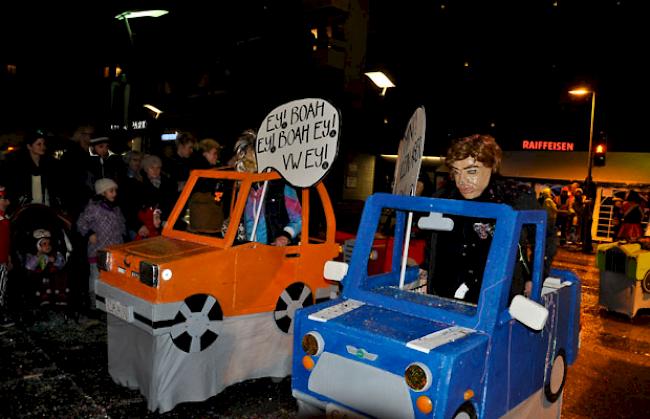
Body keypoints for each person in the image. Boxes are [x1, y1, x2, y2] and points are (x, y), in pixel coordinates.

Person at [421, 134, 548, 304]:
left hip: (496, 298)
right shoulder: (444, 198)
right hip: (444, 295)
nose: (462, 181)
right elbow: (434, 237)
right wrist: (426, 267)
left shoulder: (514, 198)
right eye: (456, 172)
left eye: (471, 171)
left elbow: (546, 235)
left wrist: (535, 275)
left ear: (491, 166)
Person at [233, 129, 302, 246]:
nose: (245, 165)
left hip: (274, 251)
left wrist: (285, 236)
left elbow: (299, 219)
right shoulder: (244, 189)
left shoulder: (281, 186)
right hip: (248, 251)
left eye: (249, 161)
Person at [76, 178, 126, 307]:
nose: (114, 193)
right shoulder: (94, 208)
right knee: (97, 275)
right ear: (102, 192)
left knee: (112, 276)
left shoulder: (116, 209)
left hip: (114, 249)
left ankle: (110, 301)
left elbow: (121, 226)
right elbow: (81, 222)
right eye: (111, 191)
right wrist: (89, 233)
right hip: (98, 248)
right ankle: (95, 301)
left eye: (115, 190)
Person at [0, 129, 63, 211]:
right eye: (39, 144)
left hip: (47, 209)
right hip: (26, 210)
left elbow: (56, 188)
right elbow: (12, 188)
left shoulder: (50, 164)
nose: (43, 147)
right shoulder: (18, 166)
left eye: (44, 144)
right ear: (29, 146)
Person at [25, 229, 67, 306]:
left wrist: (55, 261)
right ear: (38, 246)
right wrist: (37, 257)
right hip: (40, 278)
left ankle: (59, 295)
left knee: (60, 276)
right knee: (40, 277)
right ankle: (43, 296)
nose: (48, 246)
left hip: (53, 277)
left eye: (49, 243)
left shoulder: (55, 254)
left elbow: (62, 264)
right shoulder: (33, 255)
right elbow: (29, 266)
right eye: (44, 244)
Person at [0, 186, 12, 324]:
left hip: (2, 260)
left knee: (2, 289)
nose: (7, 203)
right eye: (4, 199)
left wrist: (8, 258)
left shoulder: (5, 219)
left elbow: (7, 241)